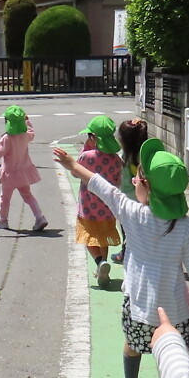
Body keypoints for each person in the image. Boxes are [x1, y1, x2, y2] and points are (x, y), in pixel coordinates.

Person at [53, 137, 189, 378]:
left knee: (132, 345)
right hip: (177, 311)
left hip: (139, 306)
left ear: (147, 188)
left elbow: (101, 186)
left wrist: (72, 165)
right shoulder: (185, 226)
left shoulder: (132, 213)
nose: (134, 181)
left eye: (138, 178)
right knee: (177, 353)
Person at [68, 116, 124, 287]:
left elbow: (74, 173)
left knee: (88, 237)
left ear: (93, 137)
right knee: (103, 238)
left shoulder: (87, 156)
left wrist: (85, 149)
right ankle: (103, 266)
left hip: (88, 207)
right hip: (108, 207)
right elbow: (118, 180)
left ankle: (100, 262)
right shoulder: (116, 159)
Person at [0, 105, 47, 231]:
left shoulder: (6, 139)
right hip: (23, 173)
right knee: (28, 196)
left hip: (9, 175)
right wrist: (27, 122)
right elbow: (31, 132)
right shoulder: (25, 135)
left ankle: (3, 220)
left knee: (5, 198)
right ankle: (40, 217)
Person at [114, 117, 150, 265]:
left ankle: (125, 253)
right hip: (146, 201)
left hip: (128, 201)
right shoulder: (146, 156)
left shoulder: (124, 157)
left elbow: (121, 182)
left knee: (127, 231)